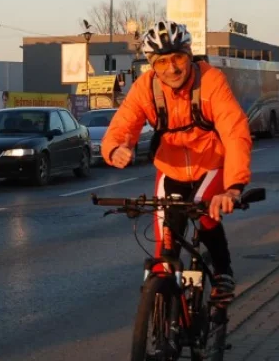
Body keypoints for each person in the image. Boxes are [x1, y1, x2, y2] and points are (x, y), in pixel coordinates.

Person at [101, 20, 252, 307]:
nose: (172, 69)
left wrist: (233, 188)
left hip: (211, 165)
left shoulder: (210, 81)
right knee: (165, 241)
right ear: (152, 66)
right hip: (170, 170)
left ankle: (223, 273)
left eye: (178, 58)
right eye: (161, 62)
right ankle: (164, 318)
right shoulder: (146, 88)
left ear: (189, 54)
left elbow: (235, 132)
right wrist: (116, 148)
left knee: (206, 209)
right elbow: (123, 124)